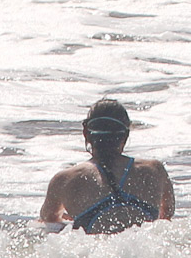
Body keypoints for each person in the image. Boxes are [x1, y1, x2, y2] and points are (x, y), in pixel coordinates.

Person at [39, 99, 175, 234]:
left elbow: (49, 220)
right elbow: (166, 217)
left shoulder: (65, 180)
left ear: (85, 133)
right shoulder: (154, 170)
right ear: (125, 135)